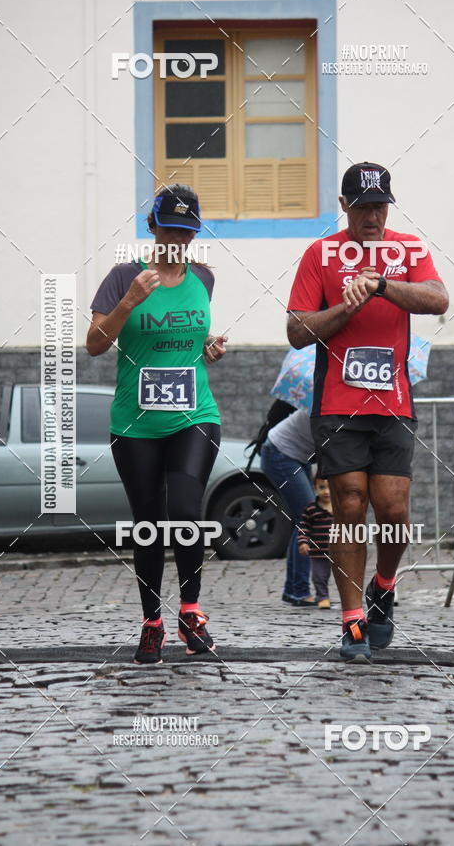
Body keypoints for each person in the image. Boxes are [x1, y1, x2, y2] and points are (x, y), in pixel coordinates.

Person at [286, 161, 449, 661]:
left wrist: (380, 285)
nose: (373, 217)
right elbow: (296, 330)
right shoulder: (321, 254)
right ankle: (352, 619)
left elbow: (438, 299)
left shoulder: (409, 249)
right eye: (363, 207)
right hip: (336, 404)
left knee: (394, 509)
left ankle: (383, 585)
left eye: (380, 206)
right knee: (350, 506)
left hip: (394, 401)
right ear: (344, 207)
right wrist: (347, 307)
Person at [86, 183, 227, 664]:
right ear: (152, 227)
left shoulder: (204, 278)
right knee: (148, 524)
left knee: (186, 512)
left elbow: (196, 340)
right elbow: (94, 345)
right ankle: (152, 621)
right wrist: (128, 301)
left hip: (194, 414)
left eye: (187, 233)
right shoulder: (123, 276)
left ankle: (190, 610)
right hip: (136, 422)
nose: (179, 241)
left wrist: (211, 348)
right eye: (171, 230)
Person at [260, 408, 317, 606]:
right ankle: (299, 591)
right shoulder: (327, 404)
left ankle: (293, 590)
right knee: (309, 518)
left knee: (303, 520)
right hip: (280, 454)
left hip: (298, 455)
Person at [298, 476, 334, 608]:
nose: (326, 492)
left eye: (330, 487)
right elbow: (304, 527)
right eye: (322, 487)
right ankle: (322, 597)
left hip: (340, 551)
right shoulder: (311, 509)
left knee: (345, 575)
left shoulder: (340, 506)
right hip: (319, 552)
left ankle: (348, 596)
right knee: (319, 576)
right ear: (315, 488)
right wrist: (303, 542)